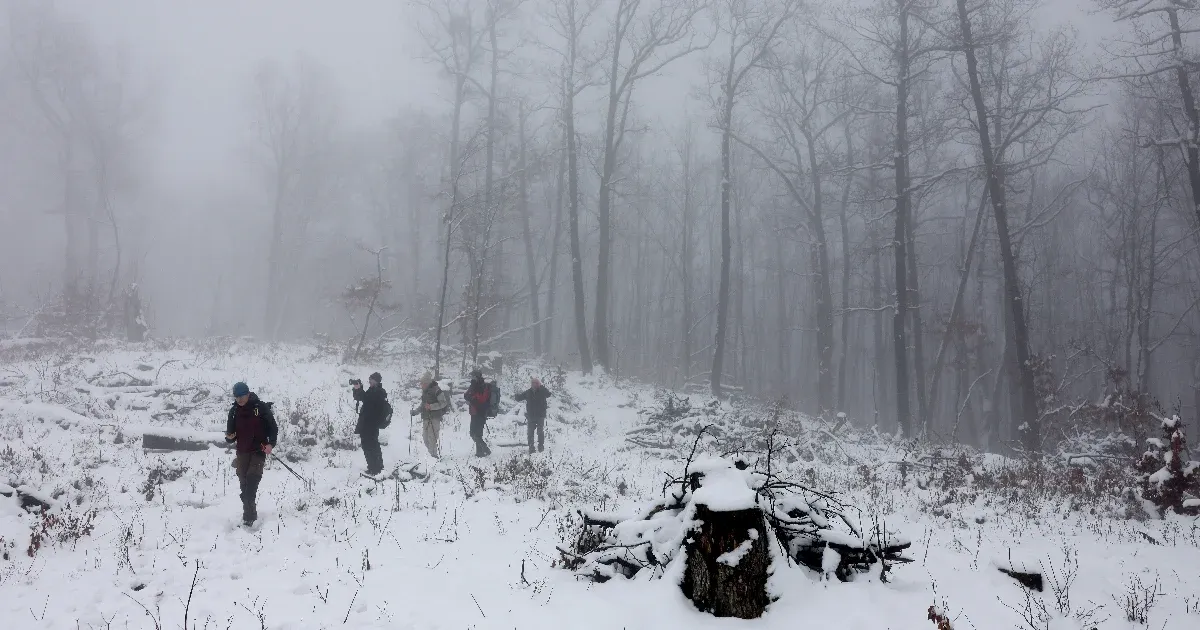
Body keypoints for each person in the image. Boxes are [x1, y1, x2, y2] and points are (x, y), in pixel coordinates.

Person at [224, 382, 278, 526]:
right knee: (244, 487)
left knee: (252, 483)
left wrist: (270, 444)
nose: (239, 400)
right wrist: (229, 438)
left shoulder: (260, 408)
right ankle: (249, 516)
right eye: (237, 397)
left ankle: (249, 520)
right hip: (242, 452)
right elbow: (230, 435)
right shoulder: (234, 411)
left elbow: (273, 428)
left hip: (258, 451)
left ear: (248, 394)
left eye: (242, 396)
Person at [352, 372, 390, 476]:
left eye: (371, 380)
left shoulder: (379, 392)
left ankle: (377, 468)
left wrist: (360, 389)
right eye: (369, 380)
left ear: (376, 381)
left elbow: (367, 399)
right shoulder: (372, 390)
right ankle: (372, 467)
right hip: (366, 423)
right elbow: (360, 398)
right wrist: (357, 389)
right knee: (367, 445)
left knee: (372, 445)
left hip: (372, 424)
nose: (369, 382)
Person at [514, 377, 552, 454]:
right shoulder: (528, 392)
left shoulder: (542, 391)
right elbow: (519, 398)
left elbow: (548, 394)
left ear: (539, 384)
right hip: (531, 416)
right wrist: (516, 395)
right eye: (533, 383)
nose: (534, 385)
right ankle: (531, 448)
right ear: (531, 384)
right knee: (530, 432)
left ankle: (540, 446)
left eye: (536, 383)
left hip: (540, 415)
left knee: (540, 431)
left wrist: (543, 387)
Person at [416, 371, 450, 458]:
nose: (421, 385)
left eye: (422, 383)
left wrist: (431, 406)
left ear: (427, 383)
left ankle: (434, 456)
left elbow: (443, 403)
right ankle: (431, 456)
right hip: (426, 417)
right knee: (425, 439)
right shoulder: (425, 392)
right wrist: (415, 411)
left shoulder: (437, 390)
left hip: (435, 418)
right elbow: (423, 405)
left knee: (432, 438)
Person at [463, 368, 493, 457]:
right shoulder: (473, 385)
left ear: (477, 376)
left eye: (473, 376)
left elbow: (482, 399)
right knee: (473, 433)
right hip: (474, 412)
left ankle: (482, 451)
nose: (472, 378)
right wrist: (471, 398)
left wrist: (472, 399)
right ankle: (483, 449)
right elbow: (466, 395)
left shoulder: (483, 386)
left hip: (481, 413)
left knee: (477, 434)